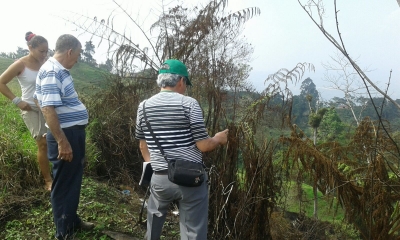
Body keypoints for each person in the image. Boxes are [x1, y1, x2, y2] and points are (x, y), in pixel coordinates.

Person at [135, 59, 229, 240]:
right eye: (185, 83)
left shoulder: (144, 106)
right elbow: (203, 145)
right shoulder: (189, 104)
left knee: (154, 220)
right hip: (190, 180)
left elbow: (143, 145)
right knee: (193, 230)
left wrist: (154, 166)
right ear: (180, 81)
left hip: (160, 177)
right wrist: (218, 139)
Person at [34, 34, 94, 239]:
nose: (77, 60)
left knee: (73, 178)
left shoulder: (59, 70)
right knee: (63, 183)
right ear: (69, 52)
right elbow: (48, 108)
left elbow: (40, 100)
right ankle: (63, 231)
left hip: (71, 132)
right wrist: (61, 140)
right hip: (66, 135)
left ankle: (71, 220)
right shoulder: (52, 71)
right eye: (77, 55)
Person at [0, 32, 53, 191]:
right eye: (41, 51)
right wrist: (17, 101)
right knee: (43, 144)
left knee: (56, 140)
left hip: (48, 107)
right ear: (30, 48)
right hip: (31, 108)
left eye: (46, 51)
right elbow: (1, 82)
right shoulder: (20, 64)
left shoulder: (47, 63)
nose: (44, 54)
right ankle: (48, 180)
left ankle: (60, 172)